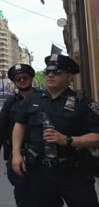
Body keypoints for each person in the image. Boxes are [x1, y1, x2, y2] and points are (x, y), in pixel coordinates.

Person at [12, 54, 99, 207]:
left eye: (57, 72)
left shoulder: (82, 102)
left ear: (69, 76)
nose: (51, 75)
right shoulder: (33, 99)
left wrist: (68, 140)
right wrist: (16, 153)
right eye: (48, 72)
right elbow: (20, 124)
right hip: (40, 172)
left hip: (74, 171)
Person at [0, 64, 37, 207]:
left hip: (40, 154)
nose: (22, 80)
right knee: (22, 193)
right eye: (18, 79)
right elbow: (1, 126)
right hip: (17, 153)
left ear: (31, 78)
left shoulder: (42, 98)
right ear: (14, 82)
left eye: (25, 77)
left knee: (43, 193)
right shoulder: (10, 103)